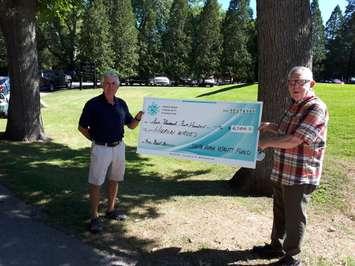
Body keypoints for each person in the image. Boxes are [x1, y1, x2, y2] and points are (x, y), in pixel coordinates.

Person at [253, 66, 328, 266]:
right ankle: (275, 247)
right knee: (280, 211)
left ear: (311, 84)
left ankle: (292, 258)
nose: (294, 86)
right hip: (282, 170)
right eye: (291, 82)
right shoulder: (295, 104)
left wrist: (266, 142)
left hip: (300, 174)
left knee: (295, 218)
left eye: (300, 81)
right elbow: (287, 128)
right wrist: (271, 126)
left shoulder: (316, 108)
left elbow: (295, 139)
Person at [78, 71, 143, 233]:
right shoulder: (93, 104)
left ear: (118, 86)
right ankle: (94, 217)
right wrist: (95, 139)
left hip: (119, 147)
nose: (110, 86)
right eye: (107, 83)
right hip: (101, 148)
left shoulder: (121, 104)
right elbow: (82, 127)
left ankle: (110, 210)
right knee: (96, 183)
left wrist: (139, 117)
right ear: (102, 85)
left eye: (113, 83)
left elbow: (131, 125)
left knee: (115, 179)